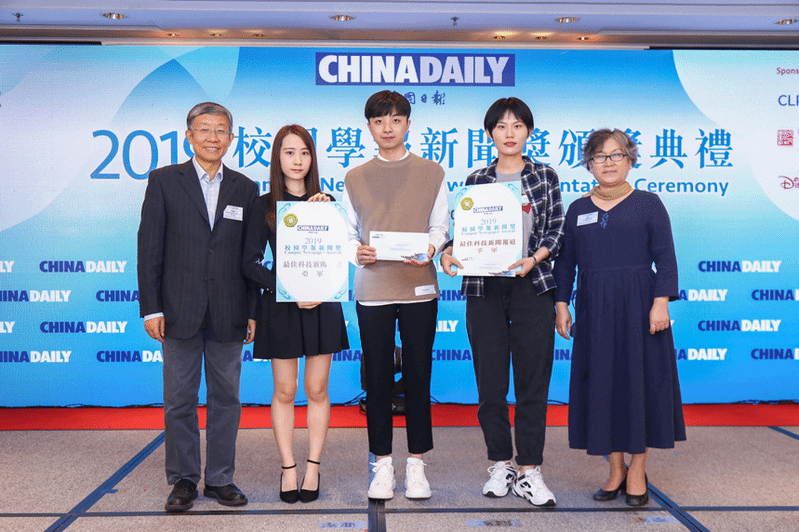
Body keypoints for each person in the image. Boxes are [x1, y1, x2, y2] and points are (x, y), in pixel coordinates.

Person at [441, 97, 564, 507]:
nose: (509, 133)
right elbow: (461, 233)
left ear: (528, 131)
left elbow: (556, 230)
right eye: (501, 126)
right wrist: (448, 252)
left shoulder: (545, 175)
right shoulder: (476, 180)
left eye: (517, 126)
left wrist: (535, 258)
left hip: (532, 286)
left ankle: (529, 469)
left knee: (532, 382)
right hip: (484, 289)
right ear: (490, 133)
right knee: (490, 383)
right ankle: (500, 463)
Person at [553, 128, 686, 507]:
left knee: (640, 385)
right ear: (589, 164)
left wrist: (661, 303)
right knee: (602, 386)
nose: (608, 163)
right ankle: (615, 469)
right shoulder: (577, 209)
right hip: (594, 308)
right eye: (600, 156)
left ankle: (638, 469)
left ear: (630, 161)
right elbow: (566, 263)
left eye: (616, 155)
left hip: (640, 306)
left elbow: (666, 257)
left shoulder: (648, 204)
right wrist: (561, 305)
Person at [137, 102, 258, 512]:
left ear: (231, 138)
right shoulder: (164, 181)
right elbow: (149, 248)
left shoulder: (245, 188)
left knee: (227, 399)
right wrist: (151, 308)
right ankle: (184, 479)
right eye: (204, 129)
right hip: (177, 311)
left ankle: (221, 478)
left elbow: (251, 258)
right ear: (189, 136)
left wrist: (252, 311)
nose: (212, 137)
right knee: (179, 400)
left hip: (229, 311)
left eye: (221, 130)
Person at [342, 90, 448, 500]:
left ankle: (417, 465)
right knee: (379, 381)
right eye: (379, 121)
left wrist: (432, 248)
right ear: (369, 127)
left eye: (395, 120)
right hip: (373, 289)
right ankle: (382, 464)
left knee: (419, 376)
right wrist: (356, 252)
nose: (387, 128)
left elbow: (440, 227)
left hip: (419, 286)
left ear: (408, 124)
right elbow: (349, 233)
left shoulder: (432, 172)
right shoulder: (355, 177)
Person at [242, 124, 349, 503]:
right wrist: (288, 287)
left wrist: (329, 213)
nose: (297, 160)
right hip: (282, 305)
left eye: (304, 152)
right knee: (285, 391)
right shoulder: (264, 205)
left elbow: (340, 254)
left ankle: (313, 466)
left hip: (322, 303)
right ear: (278, 158)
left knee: (317, 390)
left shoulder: (327, 201)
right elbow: (250, 263)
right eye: (289, 152)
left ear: (312, 158)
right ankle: (288, 466)